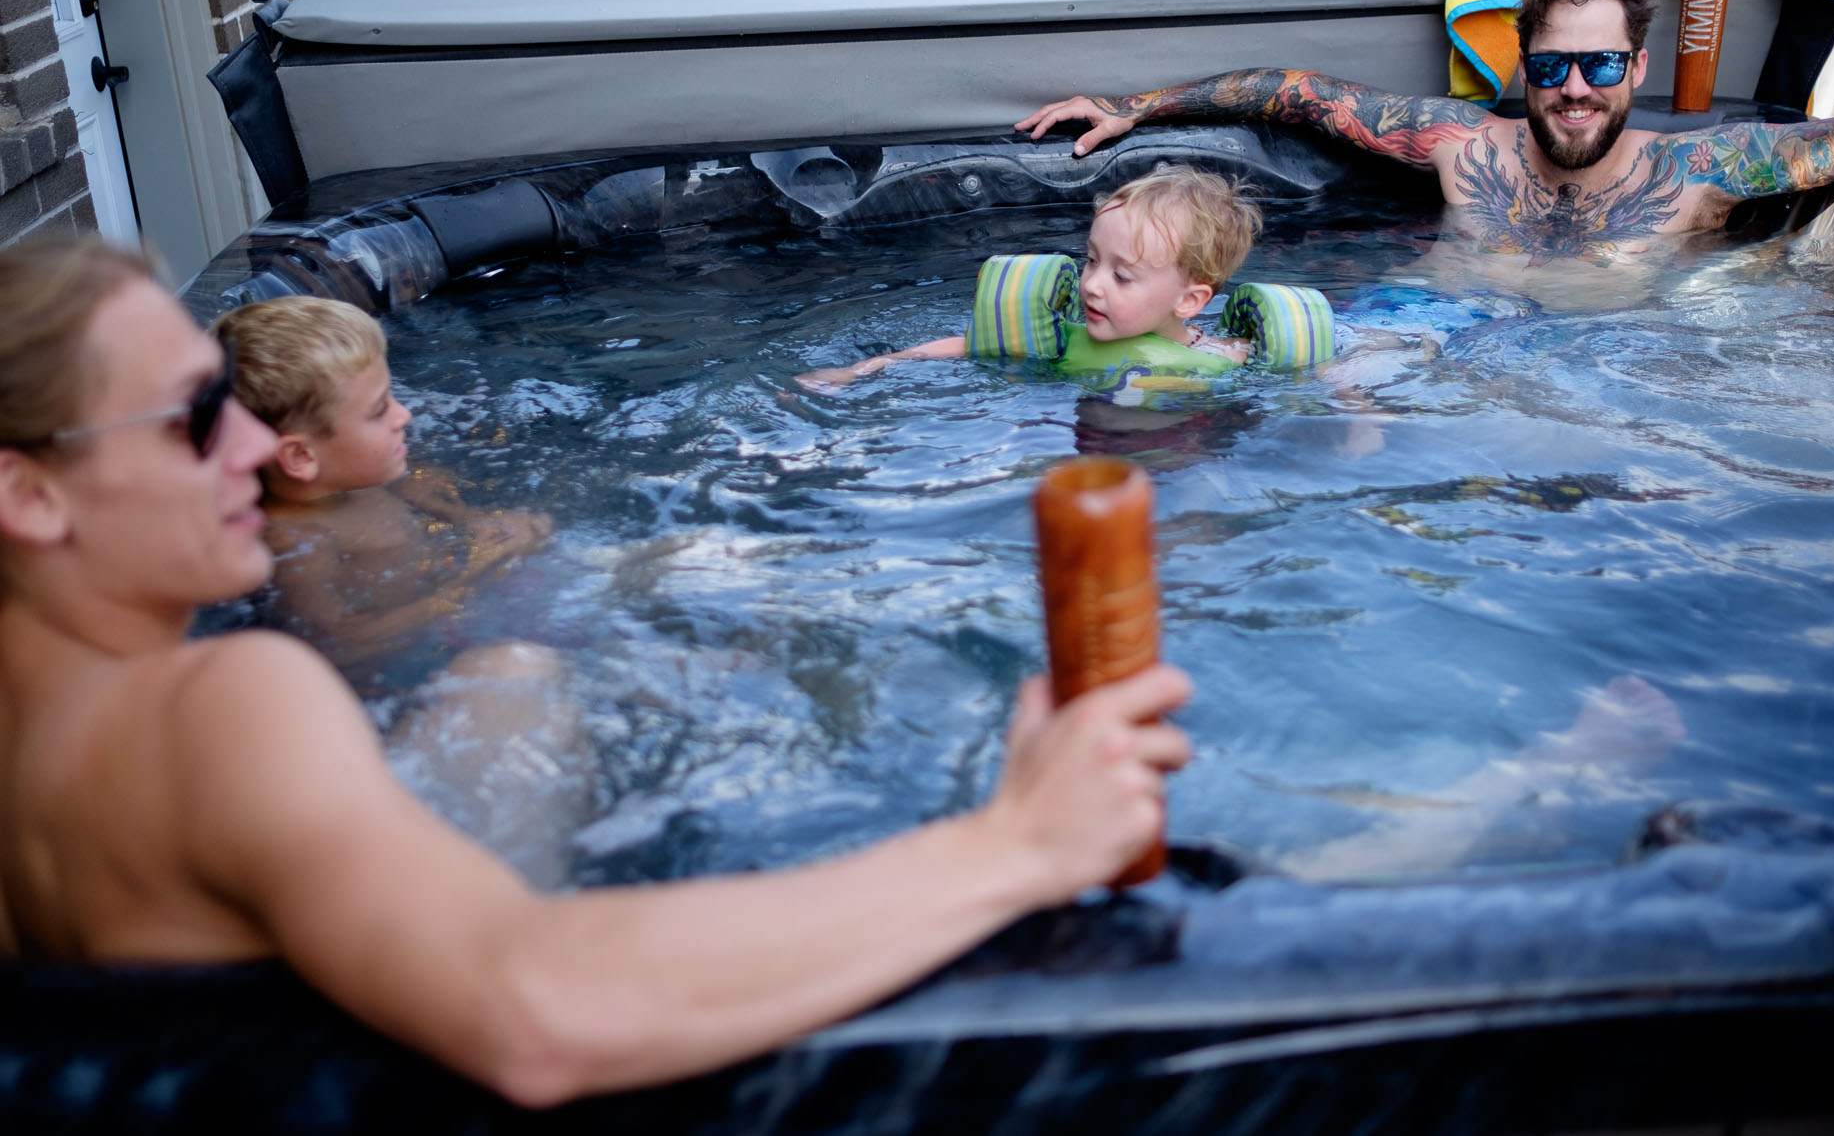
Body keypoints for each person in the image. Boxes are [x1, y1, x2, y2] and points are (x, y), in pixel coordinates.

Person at [0, 235, 1192, 1105]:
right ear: (27, 492)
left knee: (508, 672)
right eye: (193, 415)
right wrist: (1017, 842)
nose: (257, 445)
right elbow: (531, 1012)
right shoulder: (223, 703)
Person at [1019, 0, 1834, 317]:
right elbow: (1293, 93)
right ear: (1526, 69)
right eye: (1551, 69)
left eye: (1598, 67)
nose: (1575, 91)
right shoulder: (1463, 145)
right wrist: (1136, 107)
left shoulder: (1699, 170)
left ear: (1635, 69)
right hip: (1427, 350)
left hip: (1609, 376)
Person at [212, 295, 554, 688]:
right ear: (302, 456)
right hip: (391, 678)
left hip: (433, 600)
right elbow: (342, 642)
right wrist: (469, 583)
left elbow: (410, 487)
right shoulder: (296, 541)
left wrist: (471, 519)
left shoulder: (349, 476)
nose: (403, 414)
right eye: (379, 410)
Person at [799, 165, 1263, 390]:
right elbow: (966, 344)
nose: (1092, 284)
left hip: (1183, 455)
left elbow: (1328, 364)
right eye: (1092, 261)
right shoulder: (1060, 338)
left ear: (1189, 301)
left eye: (1122, 276)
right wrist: (865, 367)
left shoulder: (1231, 356)